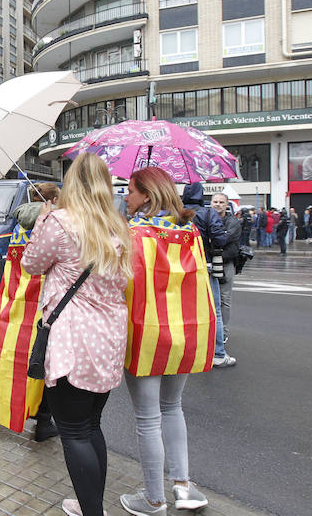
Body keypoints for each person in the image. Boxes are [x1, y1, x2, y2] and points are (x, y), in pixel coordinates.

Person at [20, 154, 131, 516]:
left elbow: (31, 264)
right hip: (109, 338)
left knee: (73, 431)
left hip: (73, 338)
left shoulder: (60, 222)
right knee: (90, 426)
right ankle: (90, 506)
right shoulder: (117, 225)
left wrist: (42, 219)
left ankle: (92, 511)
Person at [120, 168, 212, 516]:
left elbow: (122, 281)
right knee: (173, 408)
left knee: (147, 418)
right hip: (186, 330)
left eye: (130, 191)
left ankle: (154, 499)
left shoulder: (134, 232)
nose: (126, 197)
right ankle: (184, 487)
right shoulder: (190, 231)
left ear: (146, 195)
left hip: (146, 334)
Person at [0, 183, 61, 441]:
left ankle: (14, 408)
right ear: (53, 199)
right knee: (44, 365)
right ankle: (43, 421)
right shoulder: (52, 227)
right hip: (43, 307)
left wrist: (2, 297)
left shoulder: (18, 228)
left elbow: (9, 268)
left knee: (13, 362)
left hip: (16, 305)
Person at [181, 183, 231, 367]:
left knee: (184, 310)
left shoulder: (177, 213)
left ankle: (187, 352)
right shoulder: (208, 213)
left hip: (181, 267)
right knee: (215, 309)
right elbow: (220, 239)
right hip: (205, 264)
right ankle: (218, 353)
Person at [211, 194, 240, 355]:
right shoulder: (207, 218)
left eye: (221, 202)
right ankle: (214, 331)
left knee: (224, 299)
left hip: (226, 263)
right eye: (215, 202)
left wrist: (213, 241)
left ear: (227, 205)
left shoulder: (233, 222)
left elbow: (224, 239)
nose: (218, 205)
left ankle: (223, 331)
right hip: (211, 262)